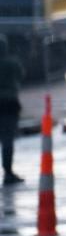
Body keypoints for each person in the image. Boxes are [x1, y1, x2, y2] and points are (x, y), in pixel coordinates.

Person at [0, 35, 25, 186]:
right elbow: (21, 75)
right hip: (9, 104)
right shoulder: (12, 63)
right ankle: (8, 171)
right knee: (7, 139)